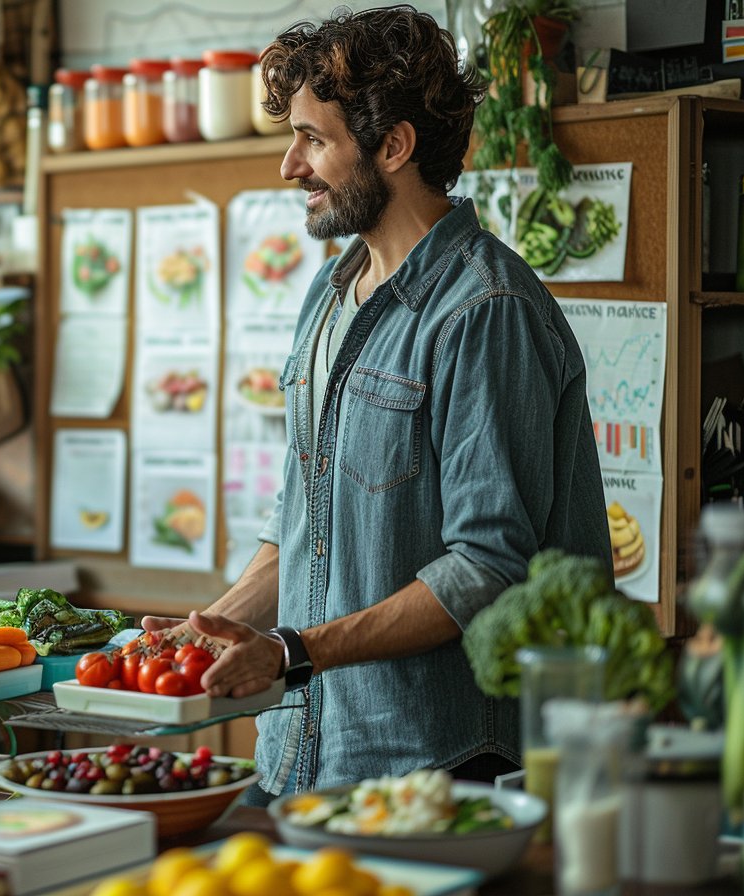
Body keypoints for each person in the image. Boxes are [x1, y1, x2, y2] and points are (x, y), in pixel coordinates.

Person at [144, 6, 610, 799]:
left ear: (393, 146)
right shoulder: (330, 296)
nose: (291, 165)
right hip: (304, 754)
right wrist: (208, 628)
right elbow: (304, 517)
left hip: (434, 769)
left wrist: (293, 650)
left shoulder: (485, 311)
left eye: (314, 140)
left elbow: (487, 568)